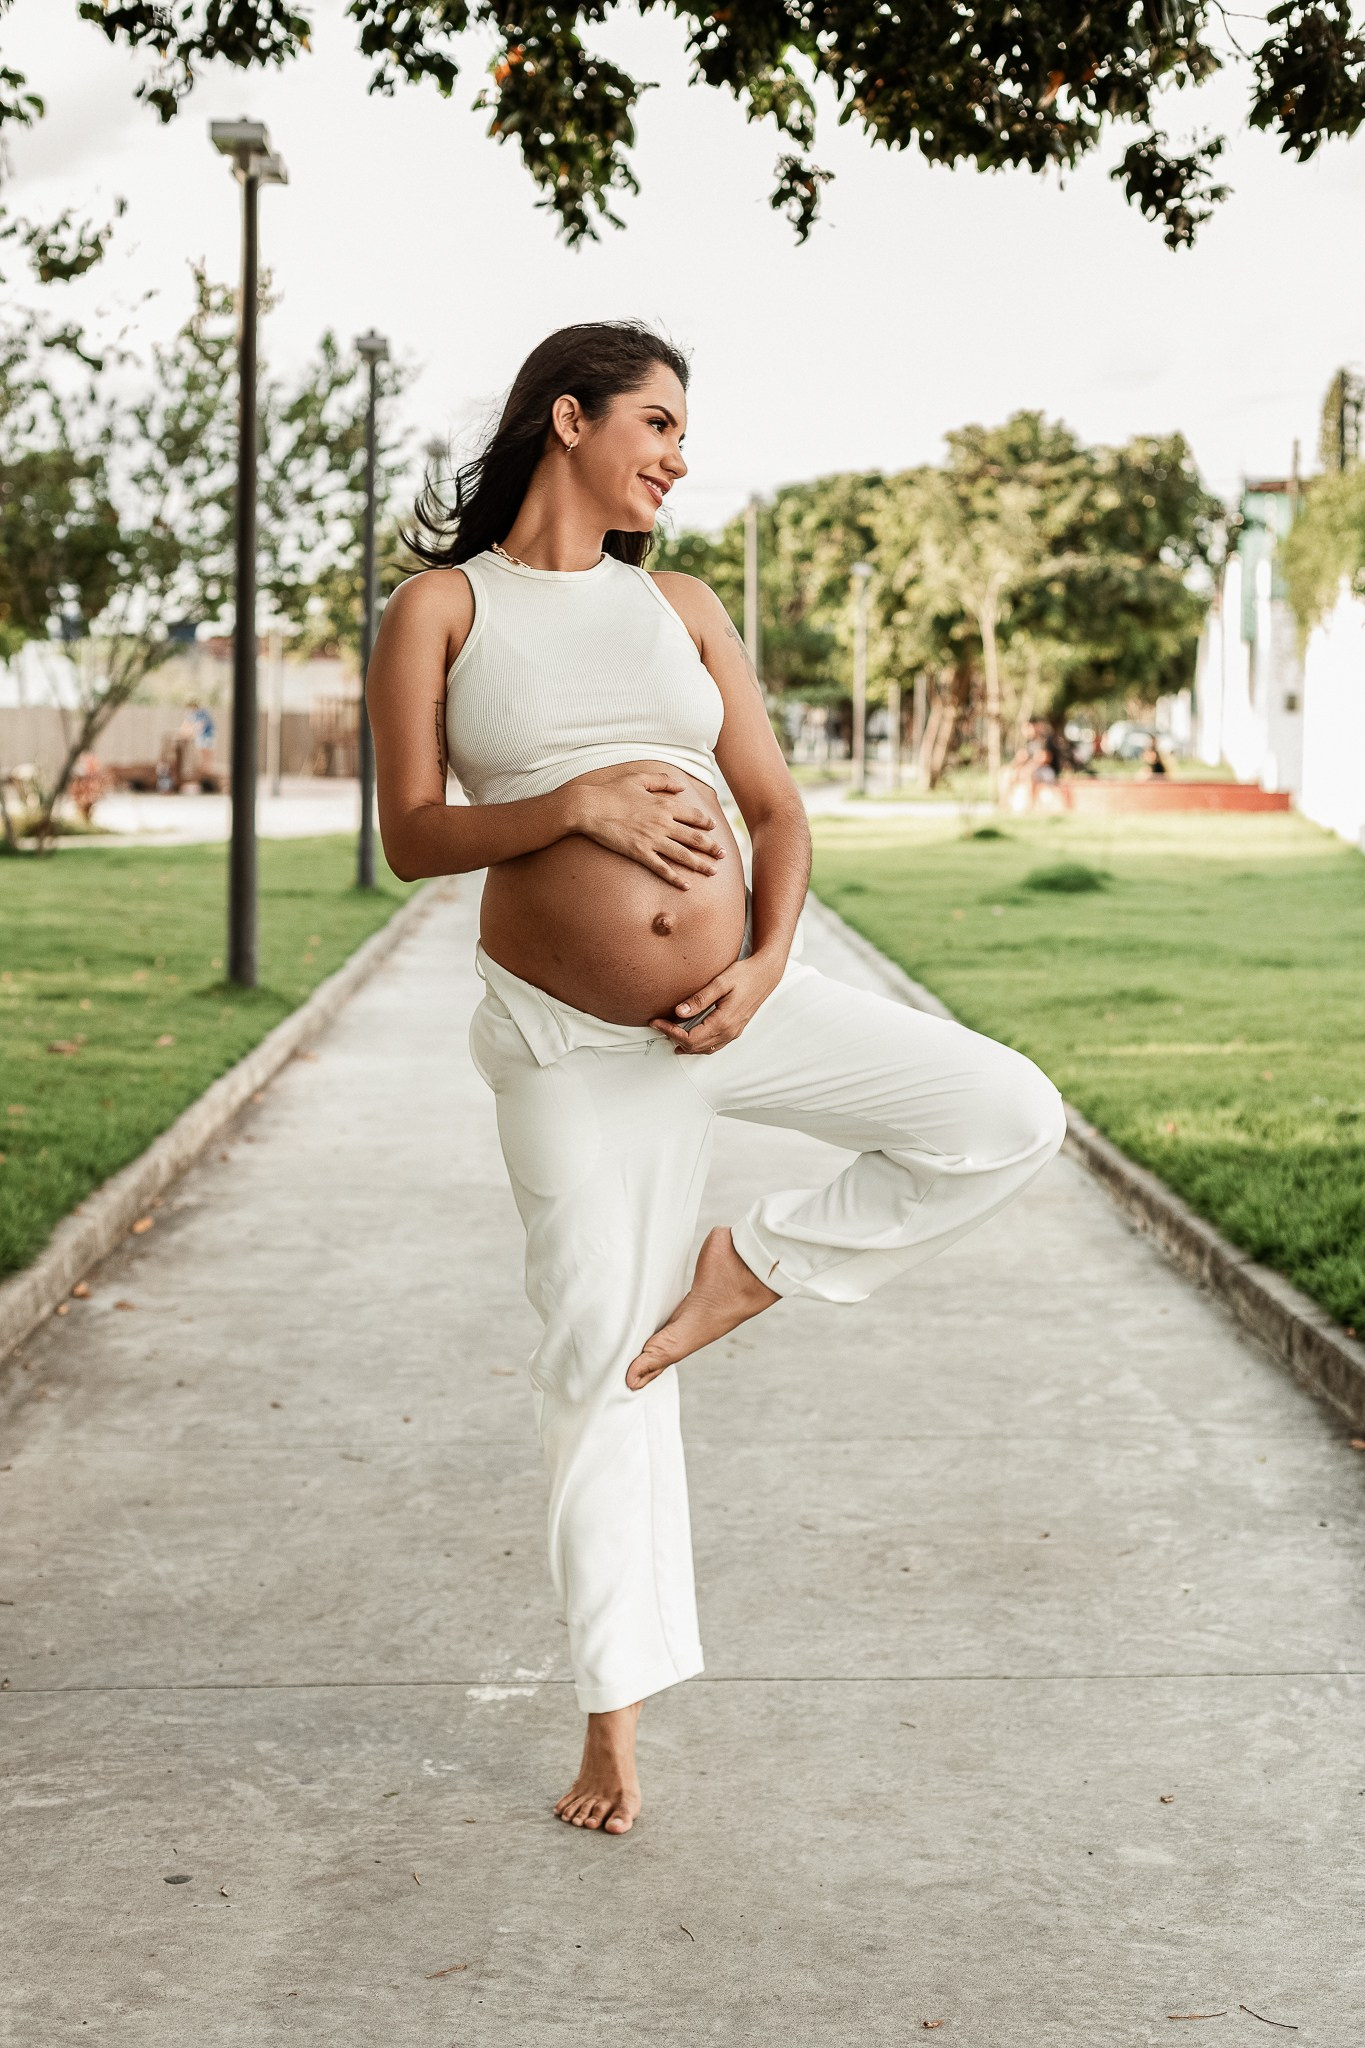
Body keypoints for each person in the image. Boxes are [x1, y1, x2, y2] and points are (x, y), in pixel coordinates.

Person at [366, 322, 1067, 1837]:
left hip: (742, 1002)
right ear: (569, 419)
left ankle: (752, 1263)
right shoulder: (442, 608)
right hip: (573, 1046)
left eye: (685, 432)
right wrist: (576, 807)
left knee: (1006, 1113)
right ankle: (613, 1723)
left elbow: (774, 809)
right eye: (659, 424)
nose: (679, 456)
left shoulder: (680, 605)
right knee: (599, 1366)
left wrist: (762, 962)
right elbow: (411, 835)